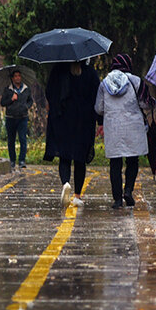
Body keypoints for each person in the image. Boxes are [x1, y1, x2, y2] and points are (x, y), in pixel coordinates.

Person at [95, 53, 149, 210]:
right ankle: (128, 191)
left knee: (115, 163)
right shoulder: (136, 81)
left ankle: (117, 199)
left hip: (113, 128)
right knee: (133, 161)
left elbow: (98, 108)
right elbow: (145, 104)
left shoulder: (104, 84)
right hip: (133, 127)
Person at [44, 59, 99, 208]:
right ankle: (77, 196)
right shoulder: (90, 74)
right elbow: (97, 97)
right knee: (80, 158)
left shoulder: (58, 71)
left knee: (65, 155)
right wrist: (98, 120)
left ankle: (65, 184)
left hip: (62, 120)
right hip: (83, 122)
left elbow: (49, 92)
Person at [0, 70, 32, 168]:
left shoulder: (26, 89)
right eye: (16, 76)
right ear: (13, 78)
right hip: (11, 118)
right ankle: (12, 160)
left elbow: (30, 100)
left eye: (19, 76)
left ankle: (22, 160)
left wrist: (26, 106)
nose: (18, 78)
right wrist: (11, 99)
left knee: (22, 139)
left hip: (23, 117)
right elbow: (3, 102)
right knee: (11, 140)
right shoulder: (8, 90)